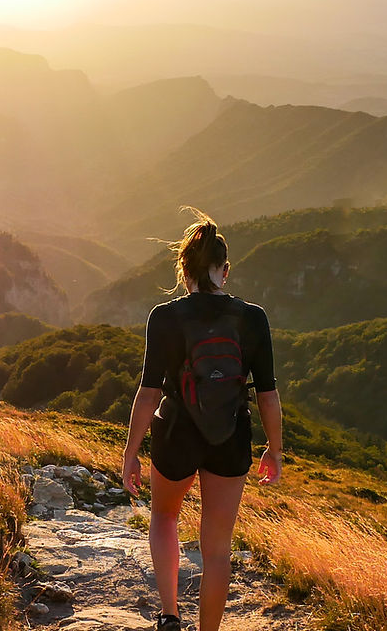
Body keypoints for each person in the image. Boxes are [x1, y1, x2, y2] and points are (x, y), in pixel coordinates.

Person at [121, 208, 284, 631]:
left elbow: (149, 391)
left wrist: (131, 452)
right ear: (224, 271)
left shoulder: (164, 316)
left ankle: (170, 615)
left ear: (183, 270)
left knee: (165, 517)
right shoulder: (253, 318)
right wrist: (275, 450)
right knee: (216, 548)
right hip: (230, 435)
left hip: (176, 432)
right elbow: (267, 393)